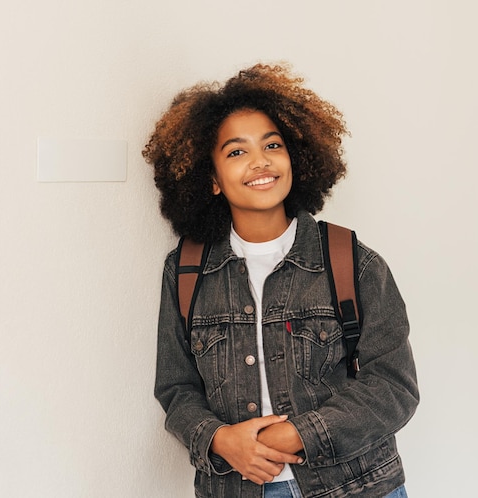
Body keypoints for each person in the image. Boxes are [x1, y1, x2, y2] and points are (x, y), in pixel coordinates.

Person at [144, 63, 419, 498]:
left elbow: (394, 386)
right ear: (212, 179)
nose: (260, 161)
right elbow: (176, 389)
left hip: (356, 487)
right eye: (237, 152)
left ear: (295, 158)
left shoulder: (350, 261)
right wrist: (220, 440)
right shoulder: (185, 270)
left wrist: (298, 434)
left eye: (272, 144)